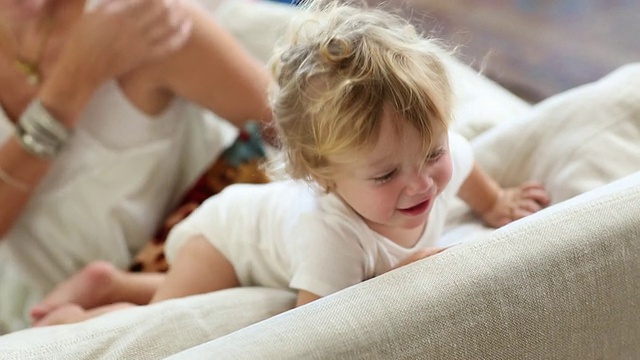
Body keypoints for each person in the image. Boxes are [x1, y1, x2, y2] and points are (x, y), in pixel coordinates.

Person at [28, 0, 550, 327]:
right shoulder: (332, 238)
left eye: (430, 151)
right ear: (322, 177)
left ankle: (112, 279)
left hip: (263, 241)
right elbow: (310, 332)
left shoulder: (442, 156)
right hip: (224, 239)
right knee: (166, 320)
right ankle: (88, 311)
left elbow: (464, 164)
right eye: (386, 174)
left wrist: (499, 201)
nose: (421, 183)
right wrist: (404, 273)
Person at [0, 0, 274, 333]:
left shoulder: (145, 18)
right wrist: (70, 86)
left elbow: (309, 137)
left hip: (201, 290)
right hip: (54, 312)